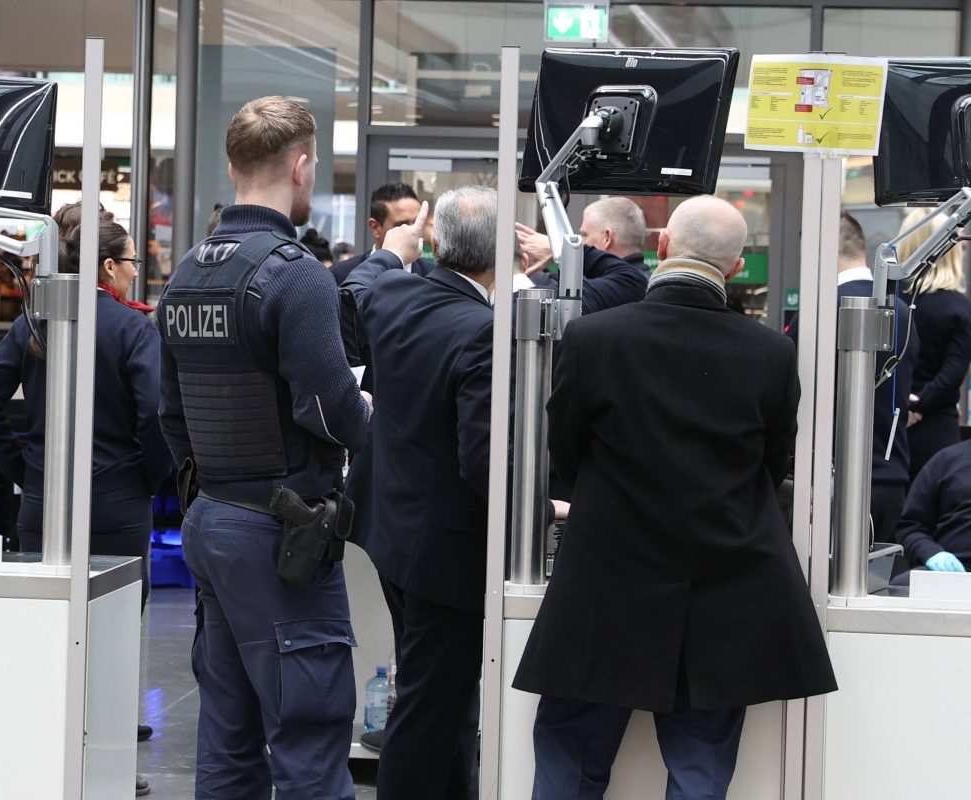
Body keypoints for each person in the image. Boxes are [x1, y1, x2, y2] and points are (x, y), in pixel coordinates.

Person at [515, 195, 837, 800]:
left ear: (662, 247)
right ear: (736, 269)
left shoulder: (593, 338)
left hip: (605, 586)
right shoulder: (772, 354)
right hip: (724, 593)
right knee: (700, 773)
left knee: (570, 758)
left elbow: (566, 453)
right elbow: (771, 470)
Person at [158, 96, 370, 800]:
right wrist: (367, 418)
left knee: (228, 737)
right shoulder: (296, 274)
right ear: (302, 166)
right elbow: (328, 408)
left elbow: (170, 411)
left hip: (212, 518)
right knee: (309, 736)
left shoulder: (187, 272)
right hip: (283, 536)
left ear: (231, 165)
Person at [341, 186, 499, 799]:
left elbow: (356, 287)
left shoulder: (392, 296)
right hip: (444, 552)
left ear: (434, 241)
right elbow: (482, 457)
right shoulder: (483, 330)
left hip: (391, 530)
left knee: (446, 696)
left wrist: (389, 252)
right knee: (431, 707)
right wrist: (540, 510)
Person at [0, 218, 171, 605]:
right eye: (132, 262)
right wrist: (147, 479)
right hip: (117, 503)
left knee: (45, 625)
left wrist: (22, 469)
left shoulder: (33, 323)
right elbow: (155, 411)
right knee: (114, 628)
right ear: (109, 266)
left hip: (44, 500)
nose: (135, 271)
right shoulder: (134, 329)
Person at [787, 211, 918, 542]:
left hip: (831, 481)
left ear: (820, 253)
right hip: (890, 477)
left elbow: (793, 392)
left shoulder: (820, 311)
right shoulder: (901, 310)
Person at [895, 208, 971, 480]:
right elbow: (952, 375)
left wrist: (903, 406)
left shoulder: (890, 302)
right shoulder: (958, 309)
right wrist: (921, 404)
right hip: (938, 431)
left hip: (890, 428)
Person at [893, 438, 971, 580]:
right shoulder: (947, 461)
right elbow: (909, 526)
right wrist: (931, 553)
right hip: (950, 574)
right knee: (901, 583)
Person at [515, 195, 649, 274]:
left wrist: (562, 250)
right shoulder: (648, 284)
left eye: (585, 235)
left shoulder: (620, 287)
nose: (582, 243)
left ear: (607, 237)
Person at [330, 182, 435, 283]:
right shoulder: (342, 275)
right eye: (403, 225)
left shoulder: (433, 278)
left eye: (417, 223)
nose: (414, 231)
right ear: (375, 227)